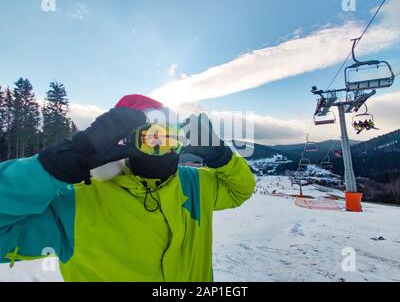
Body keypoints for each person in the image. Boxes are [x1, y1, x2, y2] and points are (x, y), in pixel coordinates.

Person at [0, 94, 255, 281]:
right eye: (153, 137)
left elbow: (240, 190)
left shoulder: (193, 182)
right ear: (124, 143)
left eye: (171, 136)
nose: (164, 147)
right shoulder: (76, 203)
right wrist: (50, 168)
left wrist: (221, 156)